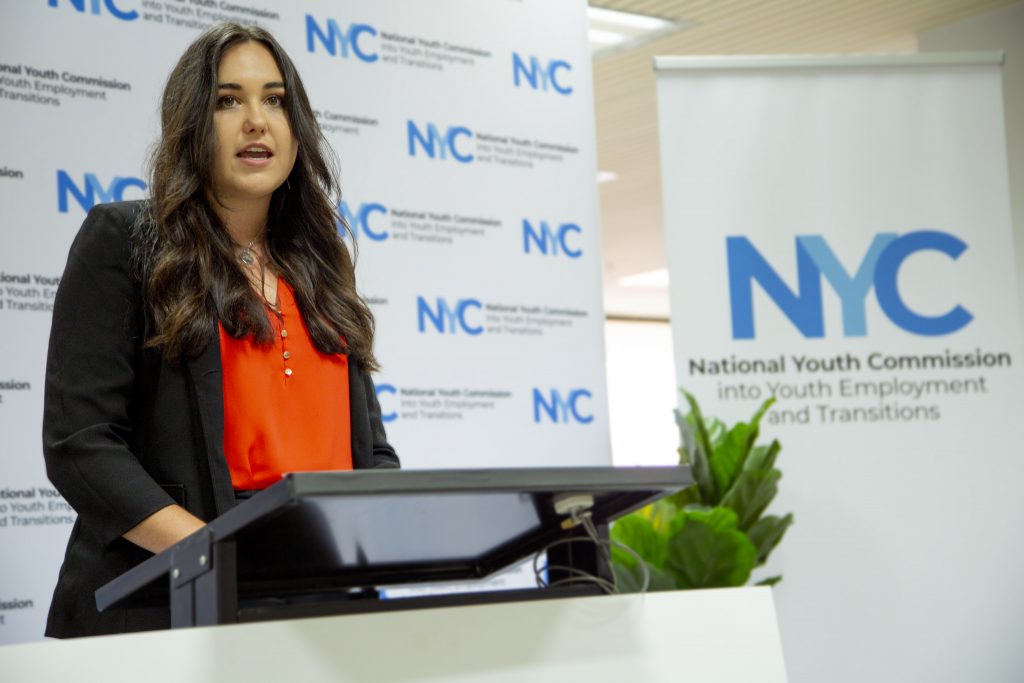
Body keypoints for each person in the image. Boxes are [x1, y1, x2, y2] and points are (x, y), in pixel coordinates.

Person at [42, 23, 398, 638]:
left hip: (324, 606)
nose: (256, 120)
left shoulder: (323, 267)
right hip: (169, 607)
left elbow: (371, 453)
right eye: (228, 100)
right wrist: (219, 554)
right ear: (190, 124)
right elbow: (83, 445)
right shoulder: (124, 241)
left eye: (275, 99)